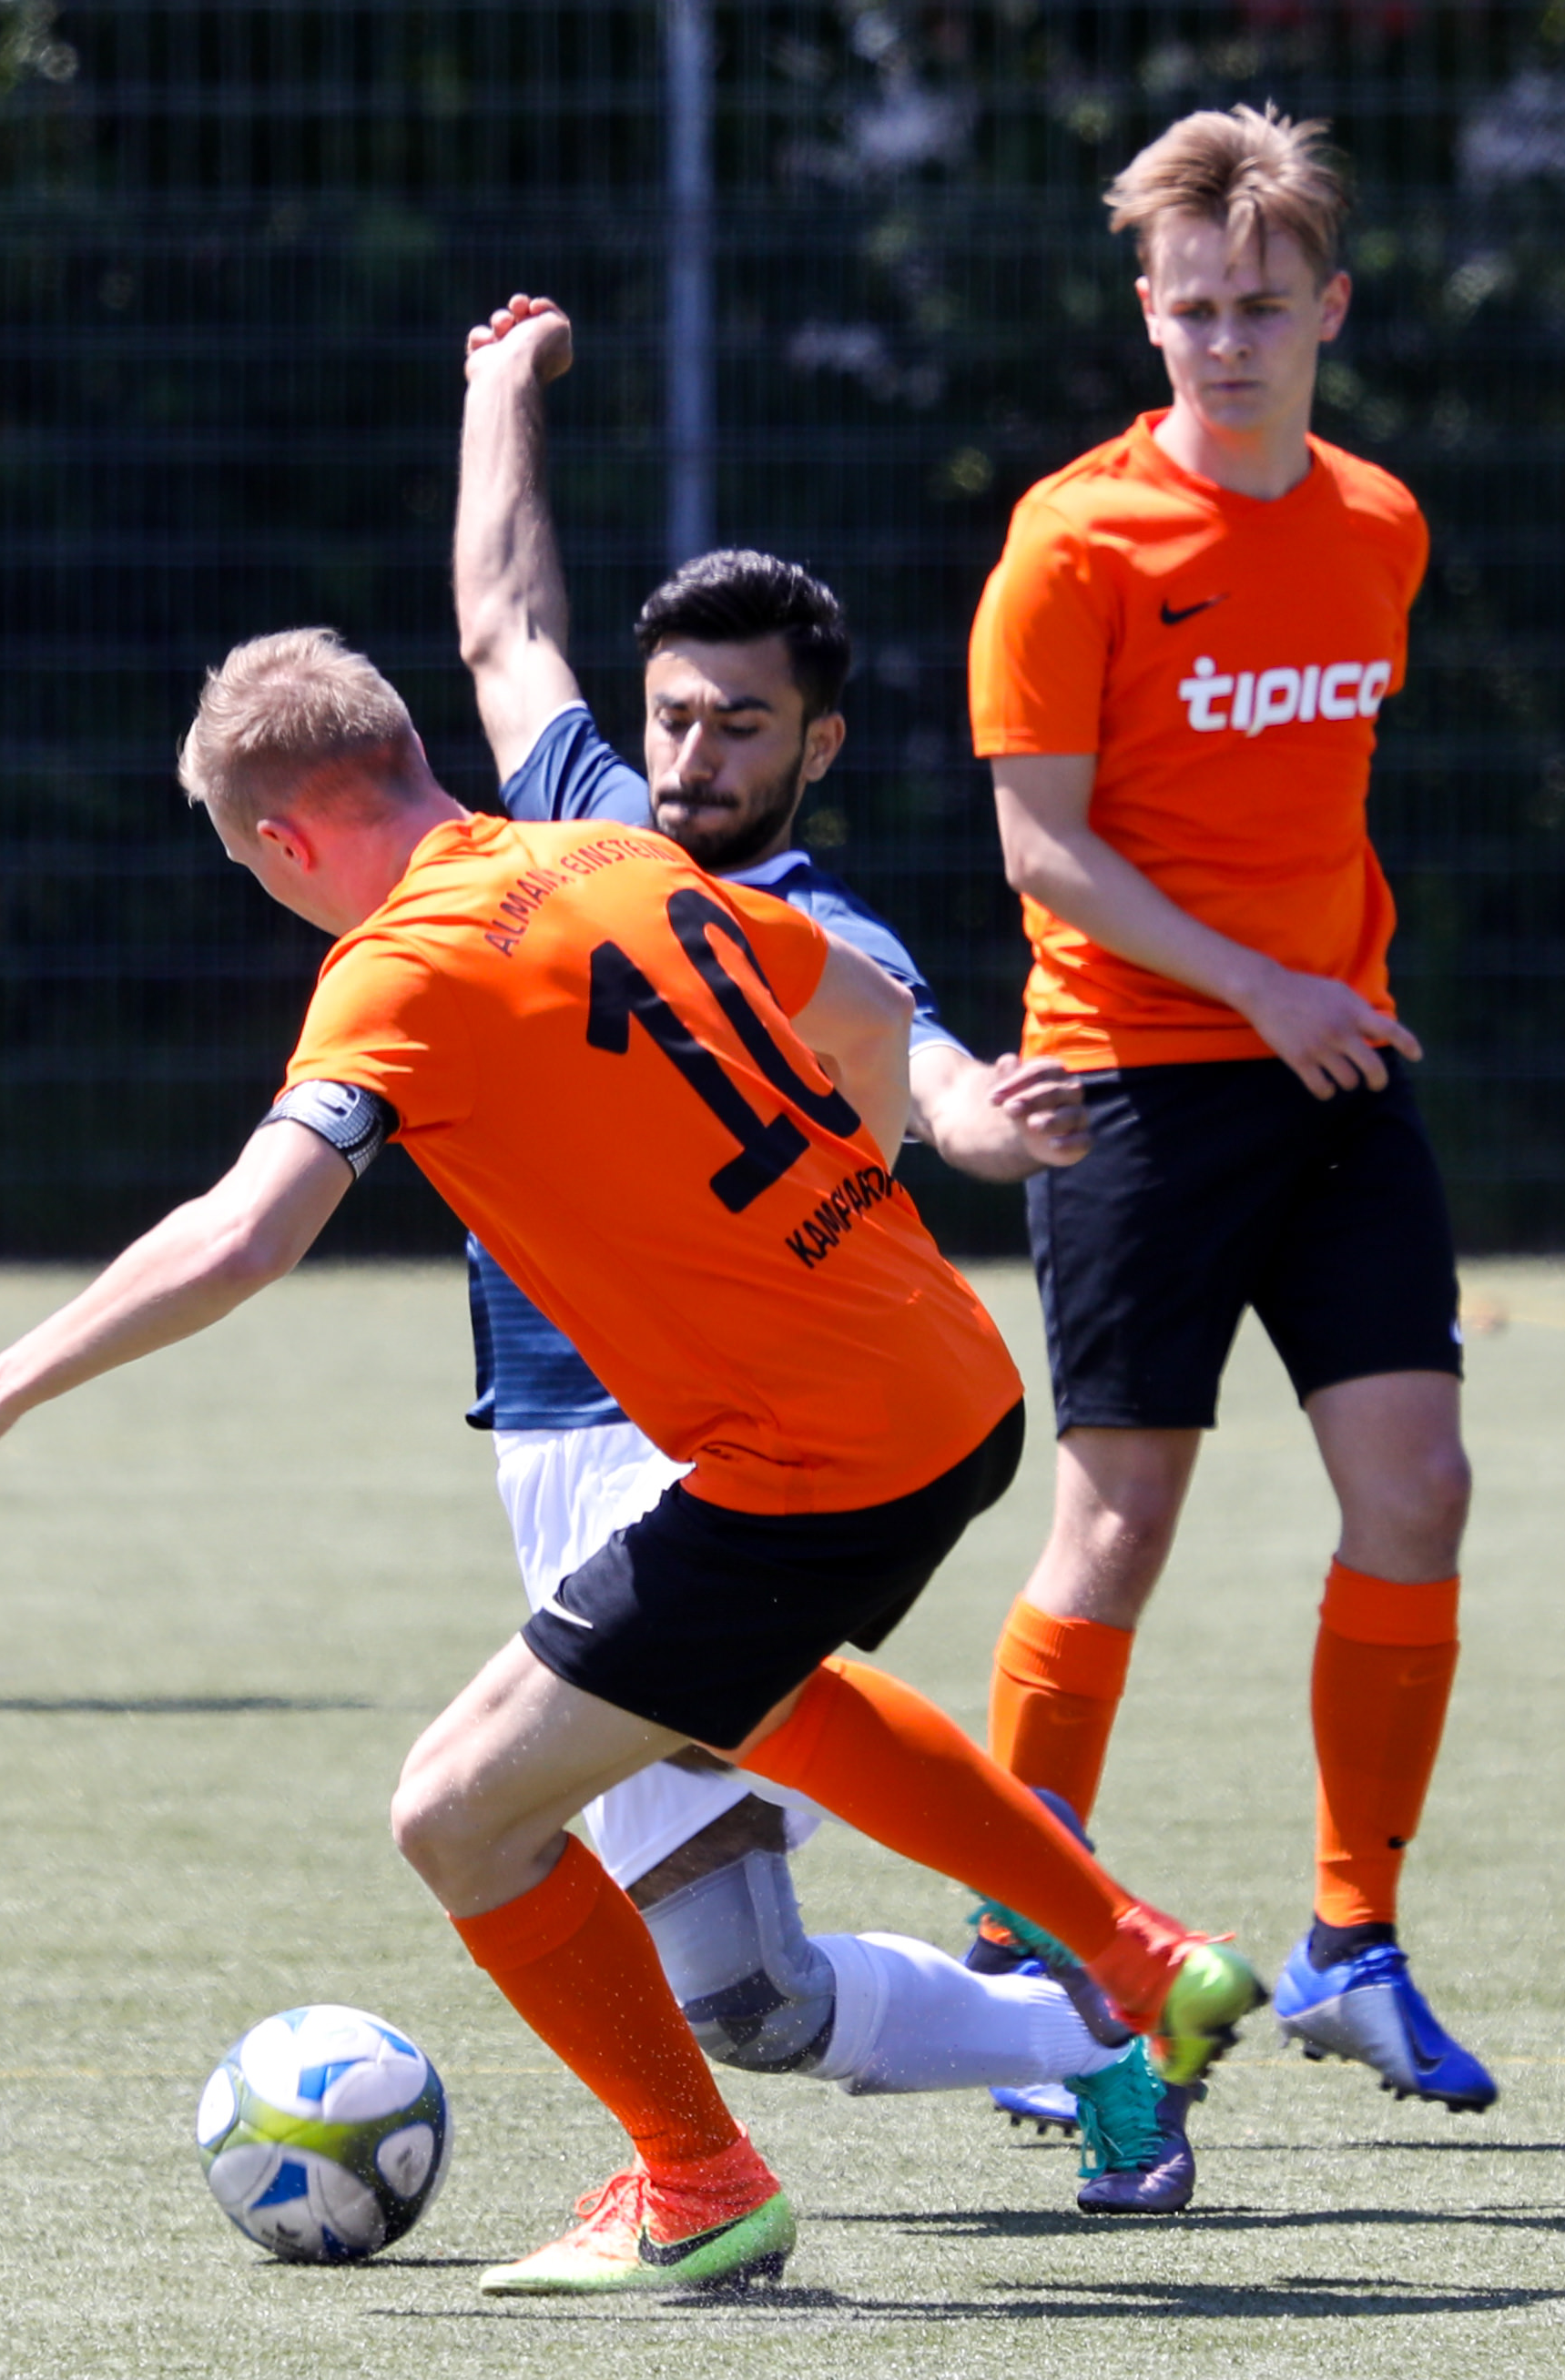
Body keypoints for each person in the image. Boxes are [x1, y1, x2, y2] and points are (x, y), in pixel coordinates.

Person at [0, 611, 1263, 2297]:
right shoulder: (613, 855)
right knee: (745, 1691)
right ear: (412, 754)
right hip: (949, 1380)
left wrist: (4, 1383)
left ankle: (700, 2185)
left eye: (255, 873)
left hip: (815, 1454)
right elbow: (866, 1007)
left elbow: (243, 1236)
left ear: (287, 845)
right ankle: (1135, 1953)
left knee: (458, 1817)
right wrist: (837, 1203)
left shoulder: (393, 971)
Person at [446, 297, 1194, 2213]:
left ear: (820, 742)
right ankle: (1094, 2023)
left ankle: (1048, 2025)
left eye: (742, 724)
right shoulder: (587, 829)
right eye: (675, 716)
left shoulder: (814, 930)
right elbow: (505, 628)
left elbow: (924, 1069)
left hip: (694, 1453)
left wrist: (987, 1123)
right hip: (547, 1447)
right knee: (752, 1994)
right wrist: (498, 390)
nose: (694, 755)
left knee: (575, 1867)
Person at [967, 106, 1491, 2112]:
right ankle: (1024, 1955)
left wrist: (1307, 992)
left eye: (1262, 307)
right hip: (1133, 1077)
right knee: (1120, 1516)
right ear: (1147, 311)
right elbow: (1042, 848)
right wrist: (1256, 984)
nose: (1226, 342)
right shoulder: (1072, 541)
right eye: (1193, 310)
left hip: (1336, 1070)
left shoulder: (1377, 523)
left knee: (1418, 1490)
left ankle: (1353, 1941)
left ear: (1330, 308)